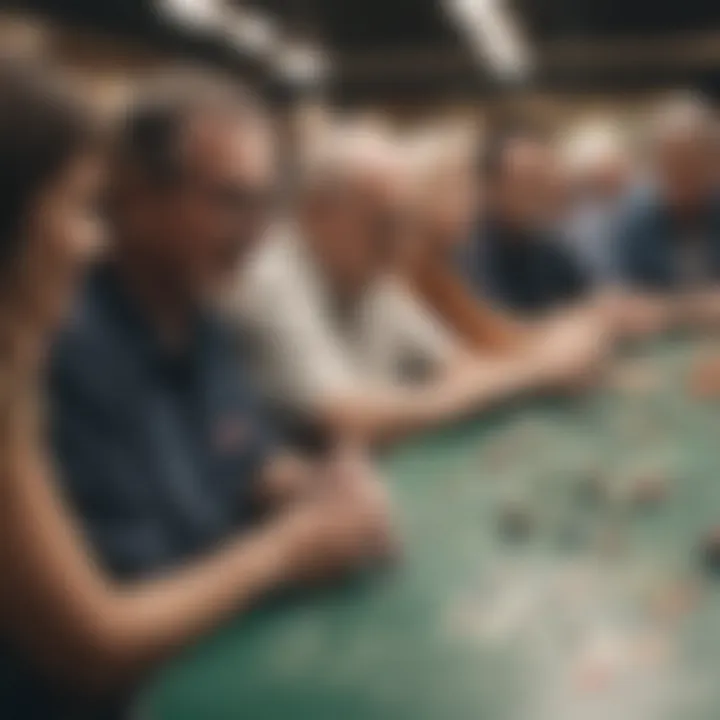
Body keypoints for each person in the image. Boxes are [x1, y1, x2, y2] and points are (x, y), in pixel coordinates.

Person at [0, 65, 391, 720]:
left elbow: (241, 457)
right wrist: (289, 548)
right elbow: (94, 646)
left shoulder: (203, 310)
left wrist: (321, 487)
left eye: (268, 205)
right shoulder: (54, 351)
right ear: (135, 198)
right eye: (76, 206)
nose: (88, 240)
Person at [229, 127, 604, 448]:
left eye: (402, 222)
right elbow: (349, 421)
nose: (397, 243)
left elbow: (459, 367)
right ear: (317, 212)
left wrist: (519, 375)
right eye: (382, 224)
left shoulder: (372, 272)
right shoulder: (272, 278)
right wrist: (536, 372)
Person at [612, 96, 720, 336]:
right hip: (660, 344)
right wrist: (694, 308)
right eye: (670, 163)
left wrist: (668, 308)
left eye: (691, 162)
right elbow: (627, 305)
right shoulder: (633, 222)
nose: (681, 174)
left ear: (714, 162)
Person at [463, 126, 592, 316]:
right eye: (530, 179)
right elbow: (504, 334)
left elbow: (586, 301)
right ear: (492, 189)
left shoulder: (547, 241)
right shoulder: (473, 255)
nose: (544, 188)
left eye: (544, 176)